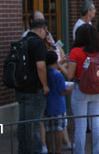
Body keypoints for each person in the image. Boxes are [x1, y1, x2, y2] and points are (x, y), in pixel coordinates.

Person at [67, 24, 99, 154]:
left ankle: (80, 152)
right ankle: (97, 151)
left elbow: (70, 75)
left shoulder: (75, 52)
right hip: (98, 90)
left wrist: (60, 67)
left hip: (80, 90)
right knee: (96, 123)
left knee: (80, 126)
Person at [16, 18, 50, 154]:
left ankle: (23, 150)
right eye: (45, 31)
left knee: (22, 123)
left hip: (20, 89)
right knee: (34, 124)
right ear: (41, 29)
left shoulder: (22, 41)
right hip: (34, 90)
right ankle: (35, 150)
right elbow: (41, 67)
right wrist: (45, 85)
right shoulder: (38, 44)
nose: (46, 34)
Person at [45, 51, 75, 154]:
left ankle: (50, 150)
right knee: (58, 129)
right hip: (58, 105)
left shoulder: (44, 73)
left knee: (48, 130)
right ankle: (58, 150)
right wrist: (71, 89)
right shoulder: (58, 75)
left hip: (47, 105)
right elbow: (62, 91)